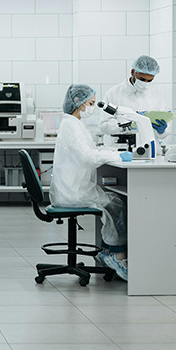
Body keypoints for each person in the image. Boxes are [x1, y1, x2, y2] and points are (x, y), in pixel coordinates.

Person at [51, 84, 129, 281]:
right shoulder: (71, 125)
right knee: (115, 203)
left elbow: (87, 152)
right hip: (72, 193)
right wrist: (115, 156)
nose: (93, 107)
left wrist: (109, 154)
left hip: (73, 187)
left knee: (112, 200)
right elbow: (87, 158)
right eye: (91, 103)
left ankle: (106, 252)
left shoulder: (74, 123)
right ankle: (116, 256)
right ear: (78, 102)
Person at [99, 55, 169, 138]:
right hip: (119, 146)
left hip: (148, 144)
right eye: (142, 79)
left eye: (149, 80)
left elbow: (164, 131)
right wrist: (130, 125)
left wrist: (162, 131)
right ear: (133, 72)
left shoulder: (155, 94)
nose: (145, 83)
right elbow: (104, 126)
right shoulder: (114, 93)